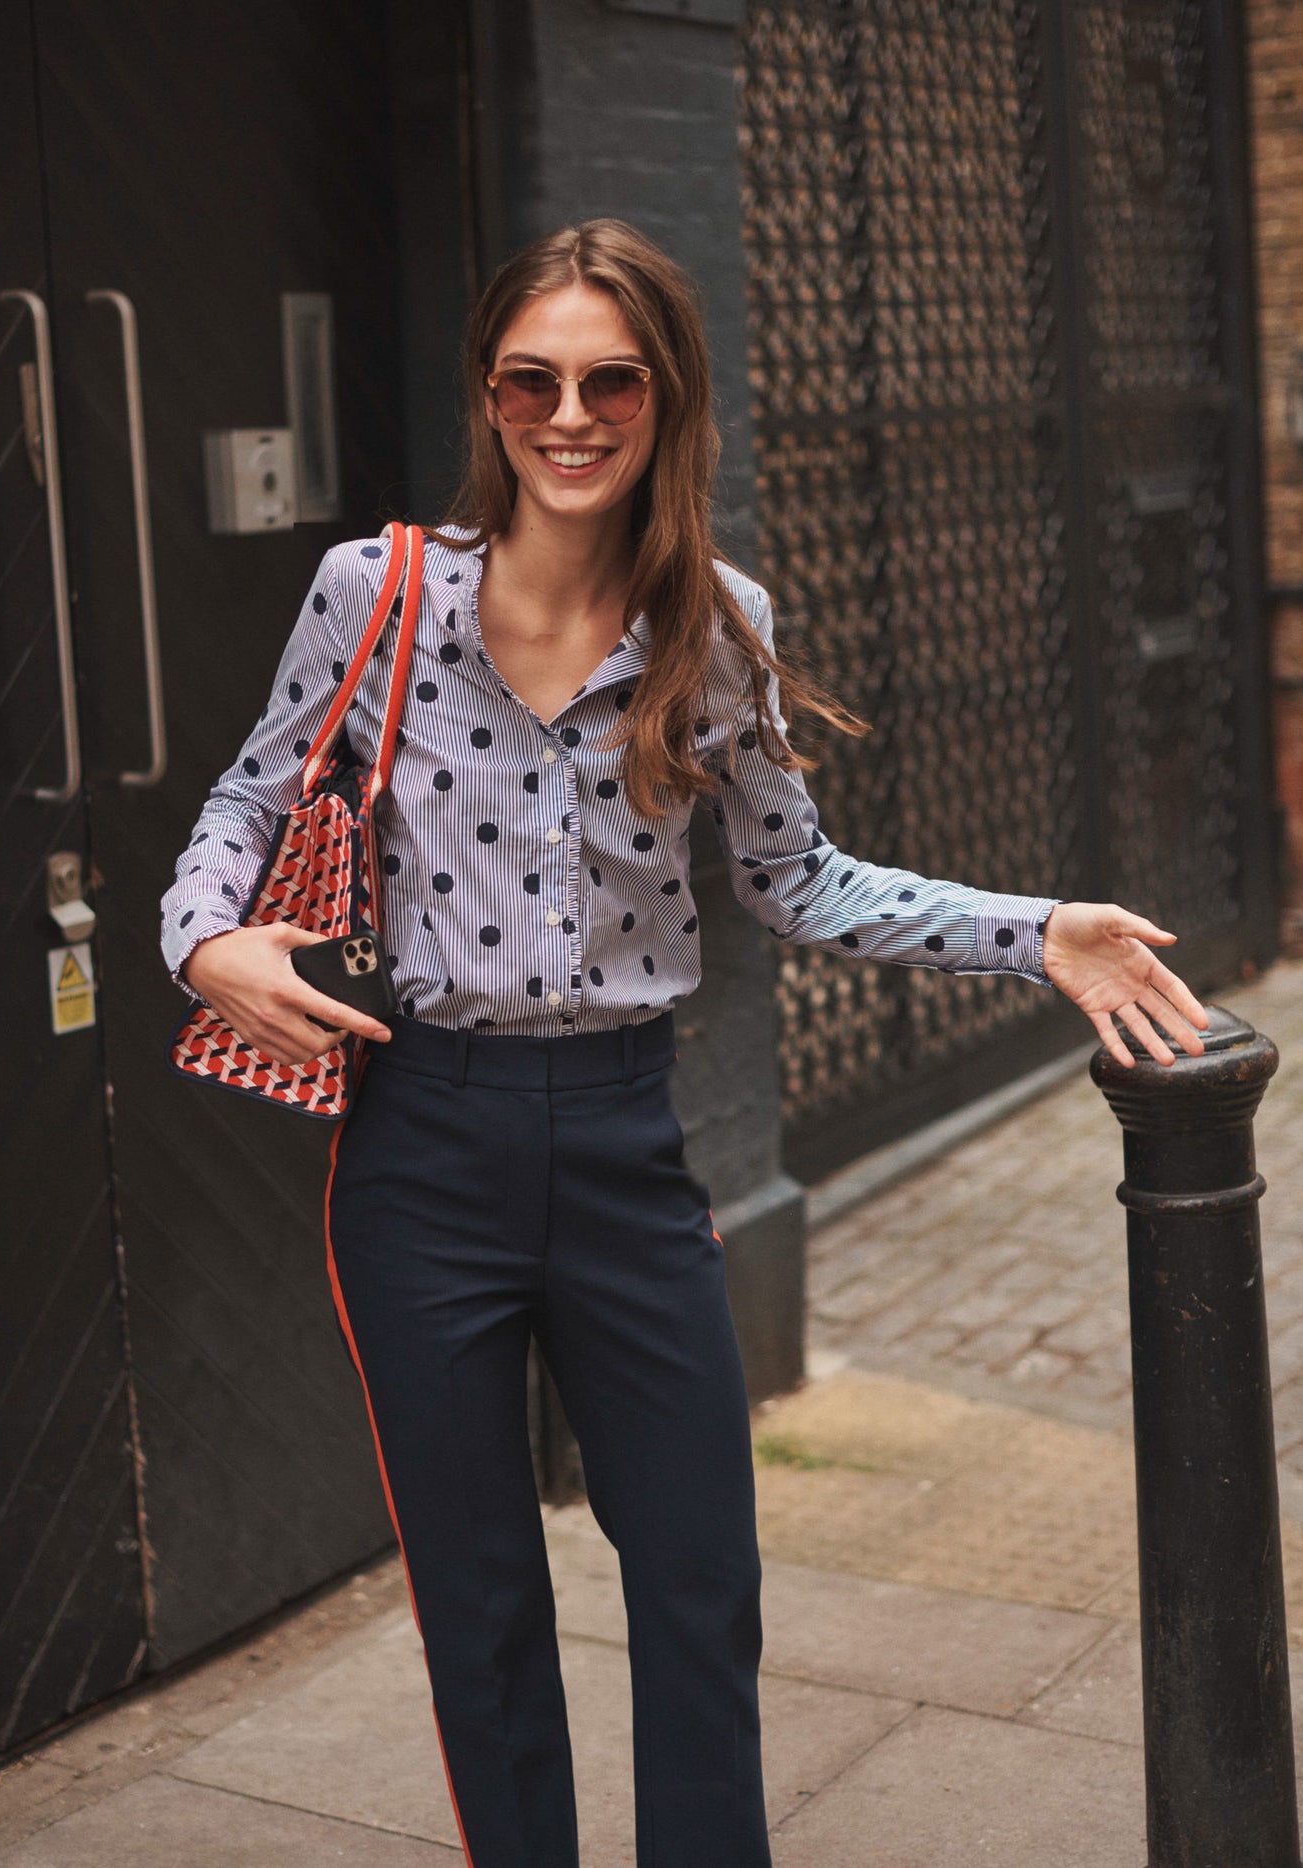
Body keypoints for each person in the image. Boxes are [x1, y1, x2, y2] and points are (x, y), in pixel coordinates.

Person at [159, 218, 1208, 1868]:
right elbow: (246, 793)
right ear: (490, 396)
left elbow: (801, 885)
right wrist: (203, 934)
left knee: (700, 1587)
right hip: (421, 1154)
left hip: (627, 1156)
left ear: (665, 402)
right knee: (480, 1605)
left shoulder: (710, 623)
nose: (566, 416)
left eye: (609, 382)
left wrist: (1039, 928)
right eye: (531, 380)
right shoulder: (376, 592)